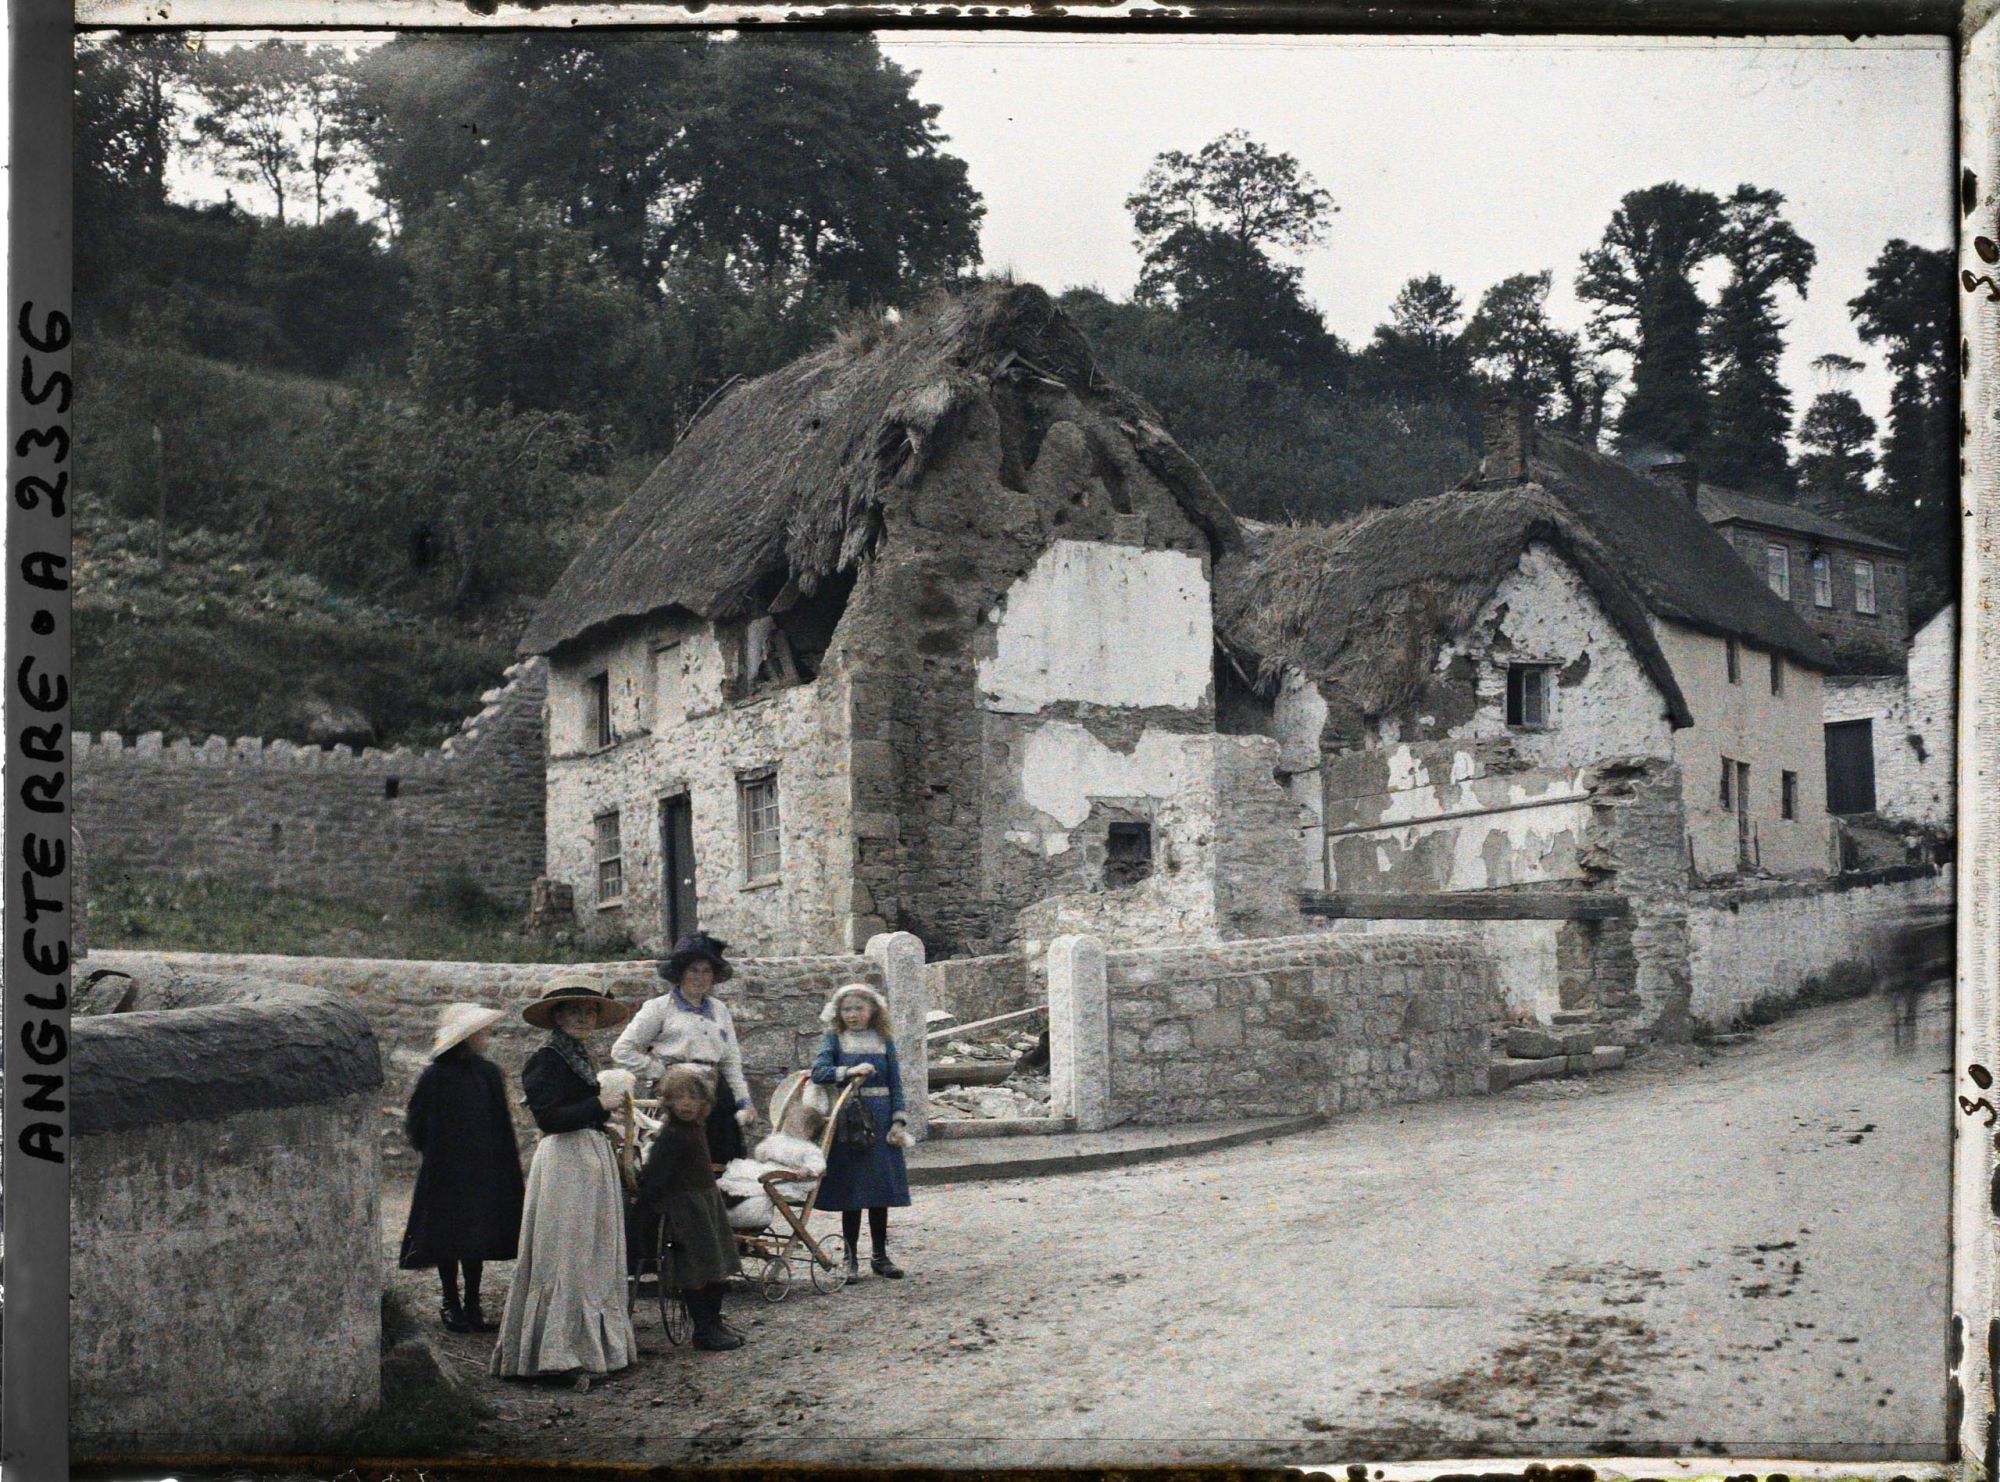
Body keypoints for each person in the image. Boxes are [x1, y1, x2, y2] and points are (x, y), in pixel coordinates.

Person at [491, 984, 638, 1390]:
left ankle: (592, 1348)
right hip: (564, 1161)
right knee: (566, 1251)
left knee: (590, 1249)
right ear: (557, 1016)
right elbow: (549, 1119)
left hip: (588, 1157)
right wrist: (599, 1106)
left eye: (590, 1012)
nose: (583, 1019)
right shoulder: (546, 1059)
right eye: (574, 1012)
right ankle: (557, 1353)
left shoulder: (579, 1058)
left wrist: (600, 1122)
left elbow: (577, 1110)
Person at [398, 1003, 525, 1334]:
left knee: (476, 1236)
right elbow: (417, 1123)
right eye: (480, 1033)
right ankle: (451, 1301)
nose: (486, 1038)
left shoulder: (488, 1074)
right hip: (446, 1172)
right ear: (464, 1038)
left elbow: (500, 1123)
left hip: (483, 1170)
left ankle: (472, 1301)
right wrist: (440, 1153)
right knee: (447, 1237)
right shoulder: (435, 1076)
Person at [612, 931, 757, 1165]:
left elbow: (730, 1061)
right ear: (680, 973)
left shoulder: (719, 1010)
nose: (700, 977)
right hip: (677, 1096)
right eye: (693, 970)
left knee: (721, 1162)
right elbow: (622, 1050)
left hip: (716, 1096)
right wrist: (660, 1072)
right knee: (680, 1163)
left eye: (706, 971)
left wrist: (743, 1100)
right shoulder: (658, 1008)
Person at [635, 1065, 746, 1351]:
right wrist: (652, 1204)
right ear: (668, 1101)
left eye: (693, 1097)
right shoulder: (672, 1134)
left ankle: (713, 1321)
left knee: (716, 1265)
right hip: (687, 1209)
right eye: (678, 1097)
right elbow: (656, 1176)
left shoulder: (695, 1128)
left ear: (704, 1102)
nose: (685, 1103)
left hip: (705, 1202)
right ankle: (704, 1330)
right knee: (696, 1268)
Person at [810, 983, 913, 1281]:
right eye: (847, 1009)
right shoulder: (835, 1039)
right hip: (849, 1121)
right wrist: (848, 1073)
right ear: (838, 1013)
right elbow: (818, 1072)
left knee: (879, 1190)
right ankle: (850, 1257)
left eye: (859, 1008)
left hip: (880, 1121)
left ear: (872, 1010)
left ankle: (880, 1256)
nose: (853, 1014)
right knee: (852, 1191)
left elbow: (896, 1083)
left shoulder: (884, 1040)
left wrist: (898, 1121)